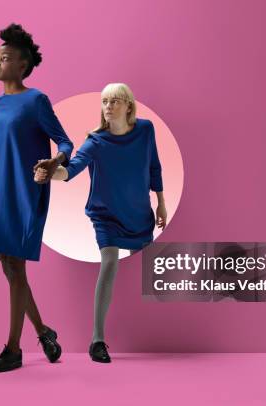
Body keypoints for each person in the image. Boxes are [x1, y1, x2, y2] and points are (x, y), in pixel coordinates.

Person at [34, 83, 167, 363]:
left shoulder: (145, 130)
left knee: (148, 269)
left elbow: (154, 166)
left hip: (139, 213)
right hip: (105, 215)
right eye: (105, 102)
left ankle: (152, 333)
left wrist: (162, 203)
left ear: (128, 106)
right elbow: (71, 169)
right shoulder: (95, 141)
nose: (108, 107)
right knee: (109, 262)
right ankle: (97, 340)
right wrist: (50, 173)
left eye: (115, 101)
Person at [0, 23, 74, 373]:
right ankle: (44, 332)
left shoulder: (36, 101)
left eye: (4, 58)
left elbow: (65, 142)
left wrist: (54, 161)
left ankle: (13, 349)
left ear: (22, 65)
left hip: (25, 191)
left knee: (15, 267)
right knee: (10, 269)